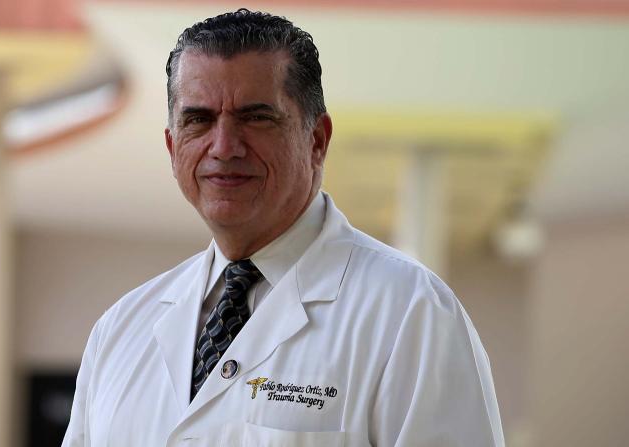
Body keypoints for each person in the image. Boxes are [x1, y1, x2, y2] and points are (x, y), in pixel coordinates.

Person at [63, 9, 503, 447]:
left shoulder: (411, 313)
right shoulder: (119, 331)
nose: (224, 147)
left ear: (317, 140)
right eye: (199, 120)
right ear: (172, 145)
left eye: (256, 118)